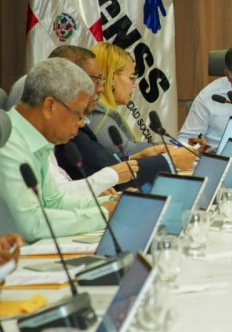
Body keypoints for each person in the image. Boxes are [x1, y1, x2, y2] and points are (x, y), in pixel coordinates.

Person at [0, 59, 115, 242]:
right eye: (78, 113)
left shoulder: (37, 140)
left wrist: (112, 204)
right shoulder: (7, 142)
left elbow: (55, 202)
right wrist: (102, 215)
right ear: (49, 107)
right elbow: (33, 224)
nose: (82, 122)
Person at [49, 45, 175, 191]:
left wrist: (139, 156)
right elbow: (104, 165)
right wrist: (170, 158)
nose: (102, 87)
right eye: (98, 79)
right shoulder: (95, 114)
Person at [88, 42, 197, 170]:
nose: (134, 85)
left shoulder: (104, 110)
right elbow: (126, 151)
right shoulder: (96, 111)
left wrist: (182, 147)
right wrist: (177, 148)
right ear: (112, 78)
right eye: (131, 78)